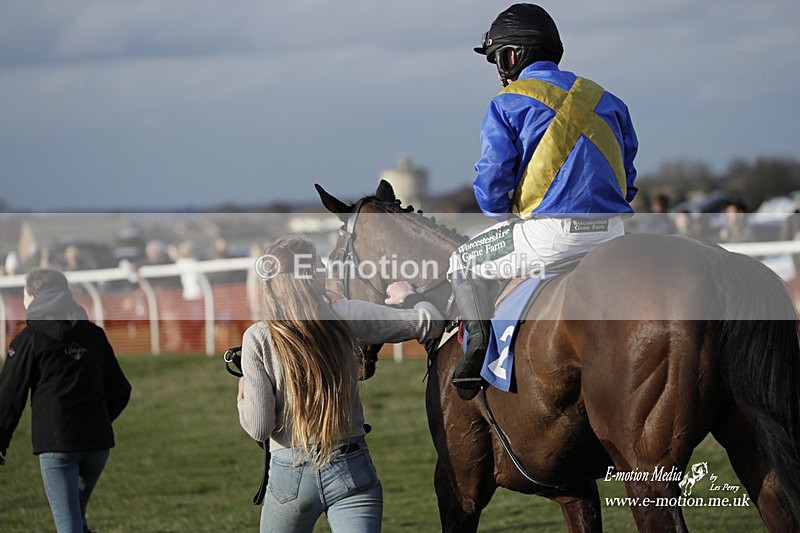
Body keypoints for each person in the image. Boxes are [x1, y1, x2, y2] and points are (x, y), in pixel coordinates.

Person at [449, 3, 639, 400]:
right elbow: (628, 176)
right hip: (615, 235)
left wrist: (505, 209)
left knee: (462, 260)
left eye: (497, 60)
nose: (499, 72)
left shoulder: (507, 102)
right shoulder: (608, 99)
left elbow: (491, 190)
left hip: (551, 237)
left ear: (511, 56)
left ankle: (476, 354)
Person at [237, 237, 443, 533]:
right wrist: (409, 296)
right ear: (309, 275)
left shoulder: (257, 337)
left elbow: (258, 427)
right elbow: (431, 323)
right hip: (352, 467)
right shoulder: (346, 315)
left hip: (290, 474)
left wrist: (243, 395)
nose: (323, 267)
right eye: (317, 263)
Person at [0, 268, 131, 533]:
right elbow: (121, 389)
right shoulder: (94, 334)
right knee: (76, 518)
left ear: (33, 296)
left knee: (68, 525)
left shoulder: (30, 339)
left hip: (57, 444)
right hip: (97, 444)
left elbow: (8, 396)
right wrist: (99, 420)